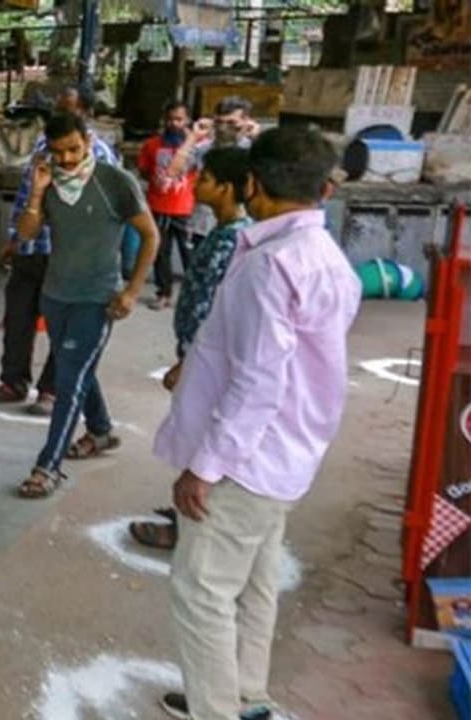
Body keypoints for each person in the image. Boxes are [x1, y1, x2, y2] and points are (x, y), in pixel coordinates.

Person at [155, 126, 360, 720]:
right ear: (323, 189)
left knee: (202, 591)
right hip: (290, 455)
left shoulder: (270, 266)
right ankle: (245, 693)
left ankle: (216, 708)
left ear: (251, 183)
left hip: (246, 461)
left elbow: (258, 382)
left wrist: (205, 467)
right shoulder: (328, 261)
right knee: (254, 581)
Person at [14, 112, 159, 499]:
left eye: (74, 149)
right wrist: (36, 193)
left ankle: (47, 466)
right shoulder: (48, 181)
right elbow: (26, 234)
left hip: (97, 300)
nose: (66, 160)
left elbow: (150, 236)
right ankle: (100, 429)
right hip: (56, 294)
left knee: (69, 380)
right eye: (58, 152)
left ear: (89, 141)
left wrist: (132, 290)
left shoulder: (115, 182)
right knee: (73, 367)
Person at [127, 146, 253, 552]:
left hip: (209, 358)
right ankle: (187, 513)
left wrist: (189, 360)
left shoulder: (231, 241)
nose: (197, 184)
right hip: (200, 353)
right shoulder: (221, 232)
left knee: (204, 437)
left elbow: (213, 310)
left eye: (206, 179)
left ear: (229, 188)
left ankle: (192, 526)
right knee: (194, 433)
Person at [0, 85, 119, 416]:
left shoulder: (102, 158)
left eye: (68, 109)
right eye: (57, 109)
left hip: (71, 258)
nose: (60, 114)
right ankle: (13, 381)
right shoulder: (45, 146)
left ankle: (51, 390)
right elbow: (29, 195)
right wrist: (14, 239)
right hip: (34, 247)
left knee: (62, 326)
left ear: (85, 115)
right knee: (18, 317)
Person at [171, 97, 260, 249]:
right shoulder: (203, 148)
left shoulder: (253, 150)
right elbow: (173, 172)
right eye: (219, 122)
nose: (223, 128)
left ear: (246, 122)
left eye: (231, 123)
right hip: (204, 226)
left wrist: (257, 138)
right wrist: (192, 137)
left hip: (243, 227)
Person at [139, 100, 198, 310]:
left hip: (186, 208)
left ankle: (194, 296)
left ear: (188, 120)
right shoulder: (152, 145)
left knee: (189, 255)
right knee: (160, 252)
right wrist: (154, 180)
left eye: (179, 119)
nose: (174, 123)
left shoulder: (196, 148)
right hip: (158, 205)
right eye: (171, 119)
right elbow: (144, 170)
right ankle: (163, 293)